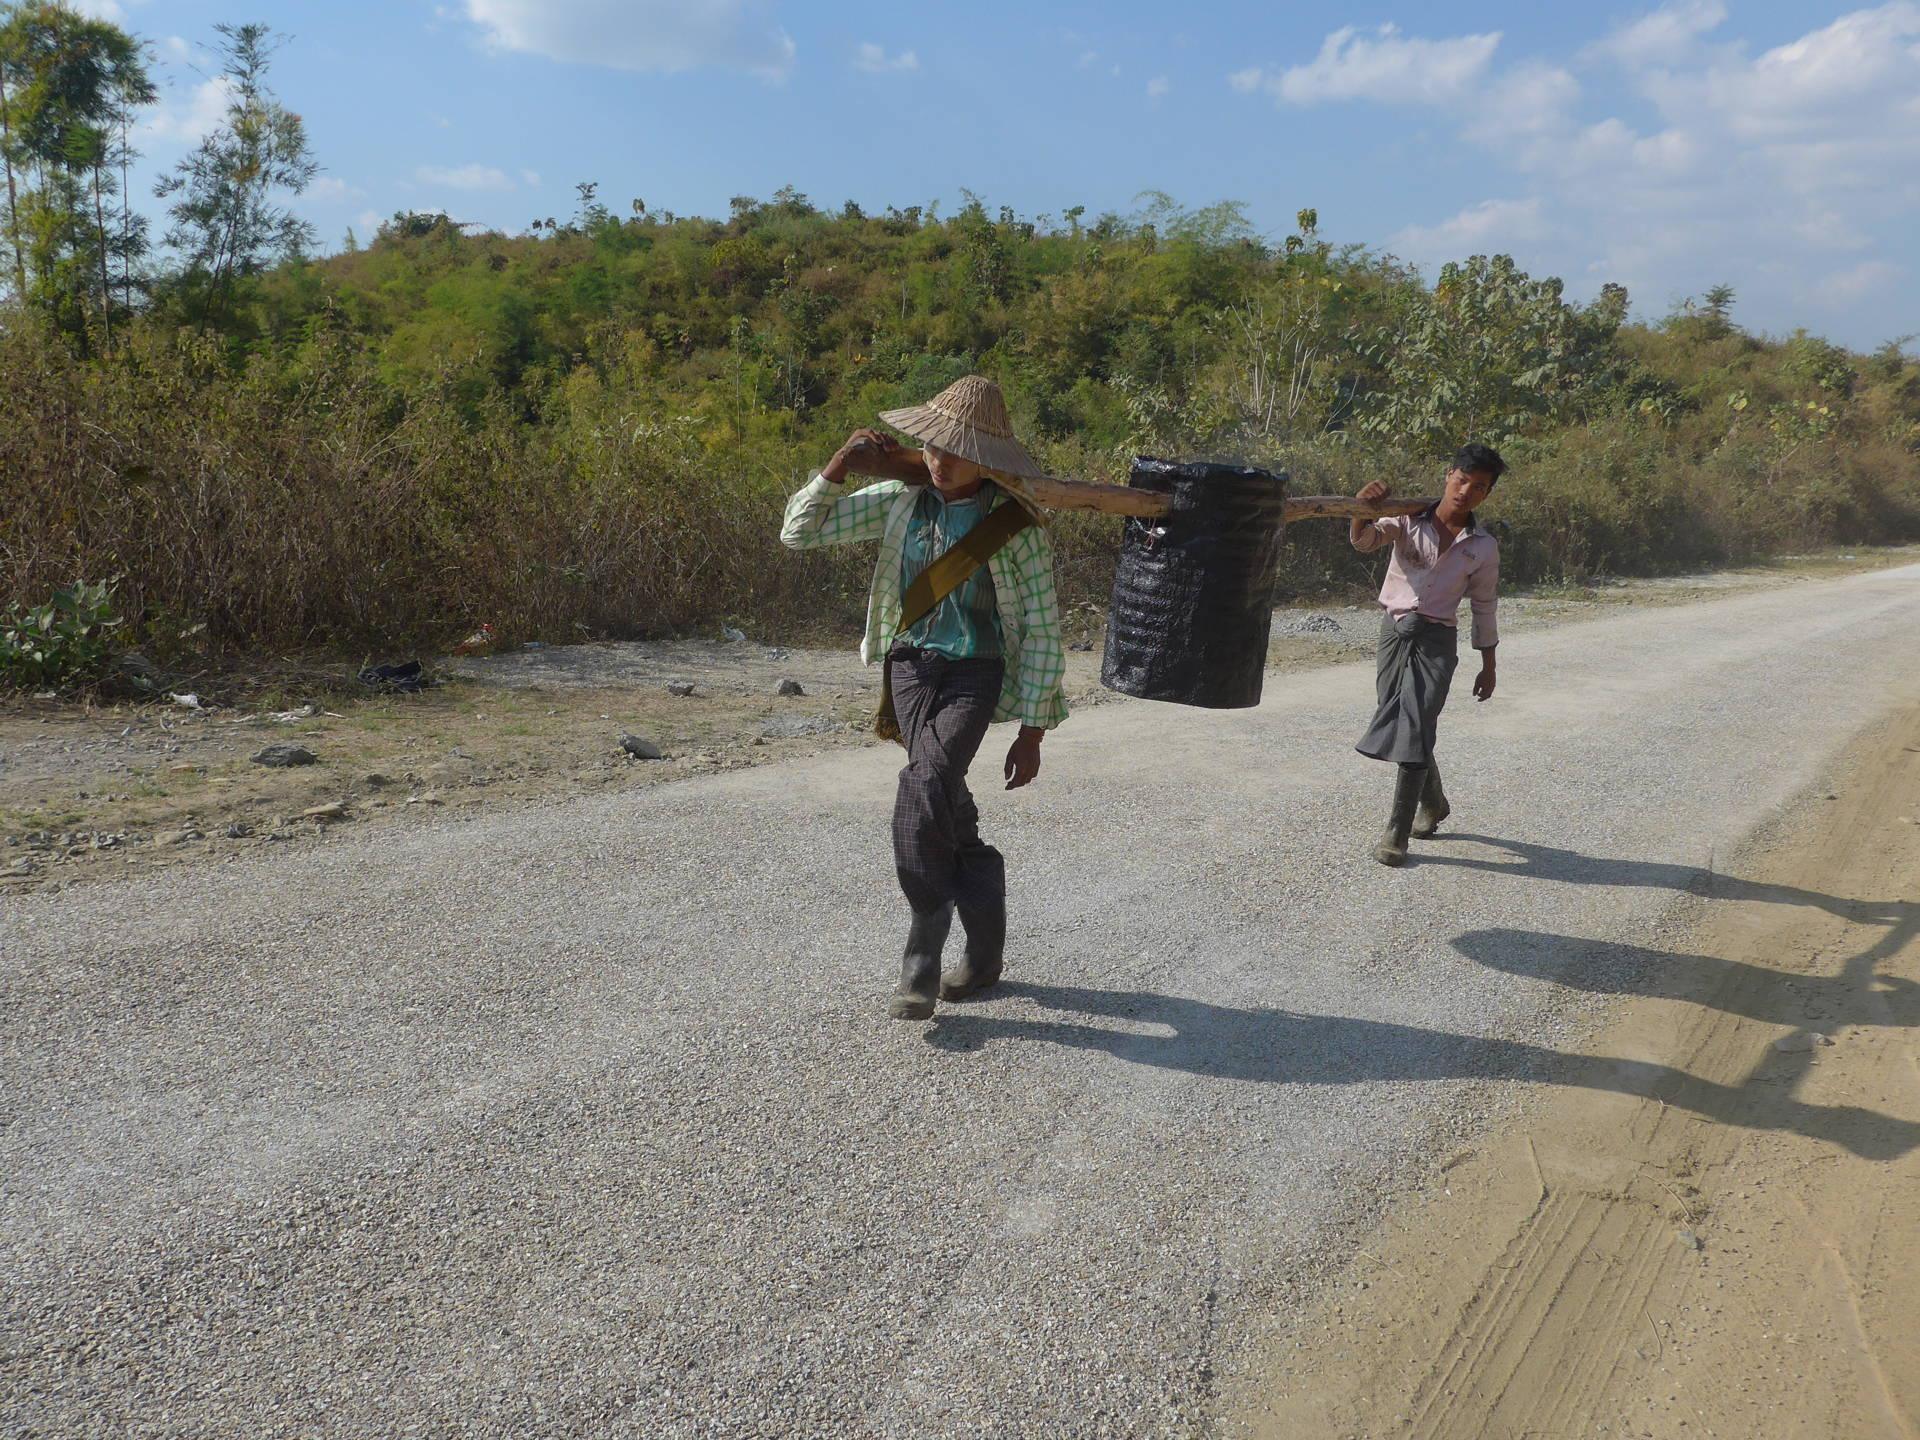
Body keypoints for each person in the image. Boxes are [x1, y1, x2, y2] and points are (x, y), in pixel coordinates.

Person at [780, 376, 1068, 1019]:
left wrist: (1033, 730)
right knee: (946, 801)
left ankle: (922, 947)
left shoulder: (1015, 526)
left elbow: (1045, 627)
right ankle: (986, 952)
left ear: (988, 459)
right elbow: (799, 534)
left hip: (976, 672)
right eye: (931, 447)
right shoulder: (900, 500)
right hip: (909, 667)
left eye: (955, 451)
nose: (938, 461)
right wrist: (838, 465)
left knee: (926, 777)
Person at [1349, 443, 1506, 866]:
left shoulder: (1482, 547)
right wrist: (1361, 509)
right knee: (1402, 717)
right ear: (1448, 474)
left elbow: (1484, 605)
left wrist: (1488, 664)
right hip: (1394, 633)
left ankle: (1396, 833)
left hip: (1437, 641)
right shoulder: (1406, 518)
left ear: (1487, 494)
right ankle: (1434, 803)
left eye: (1479, 487)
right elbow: (1365, 541)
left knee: (1416, 724)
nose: (1466, 492)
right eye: (1462, 480)